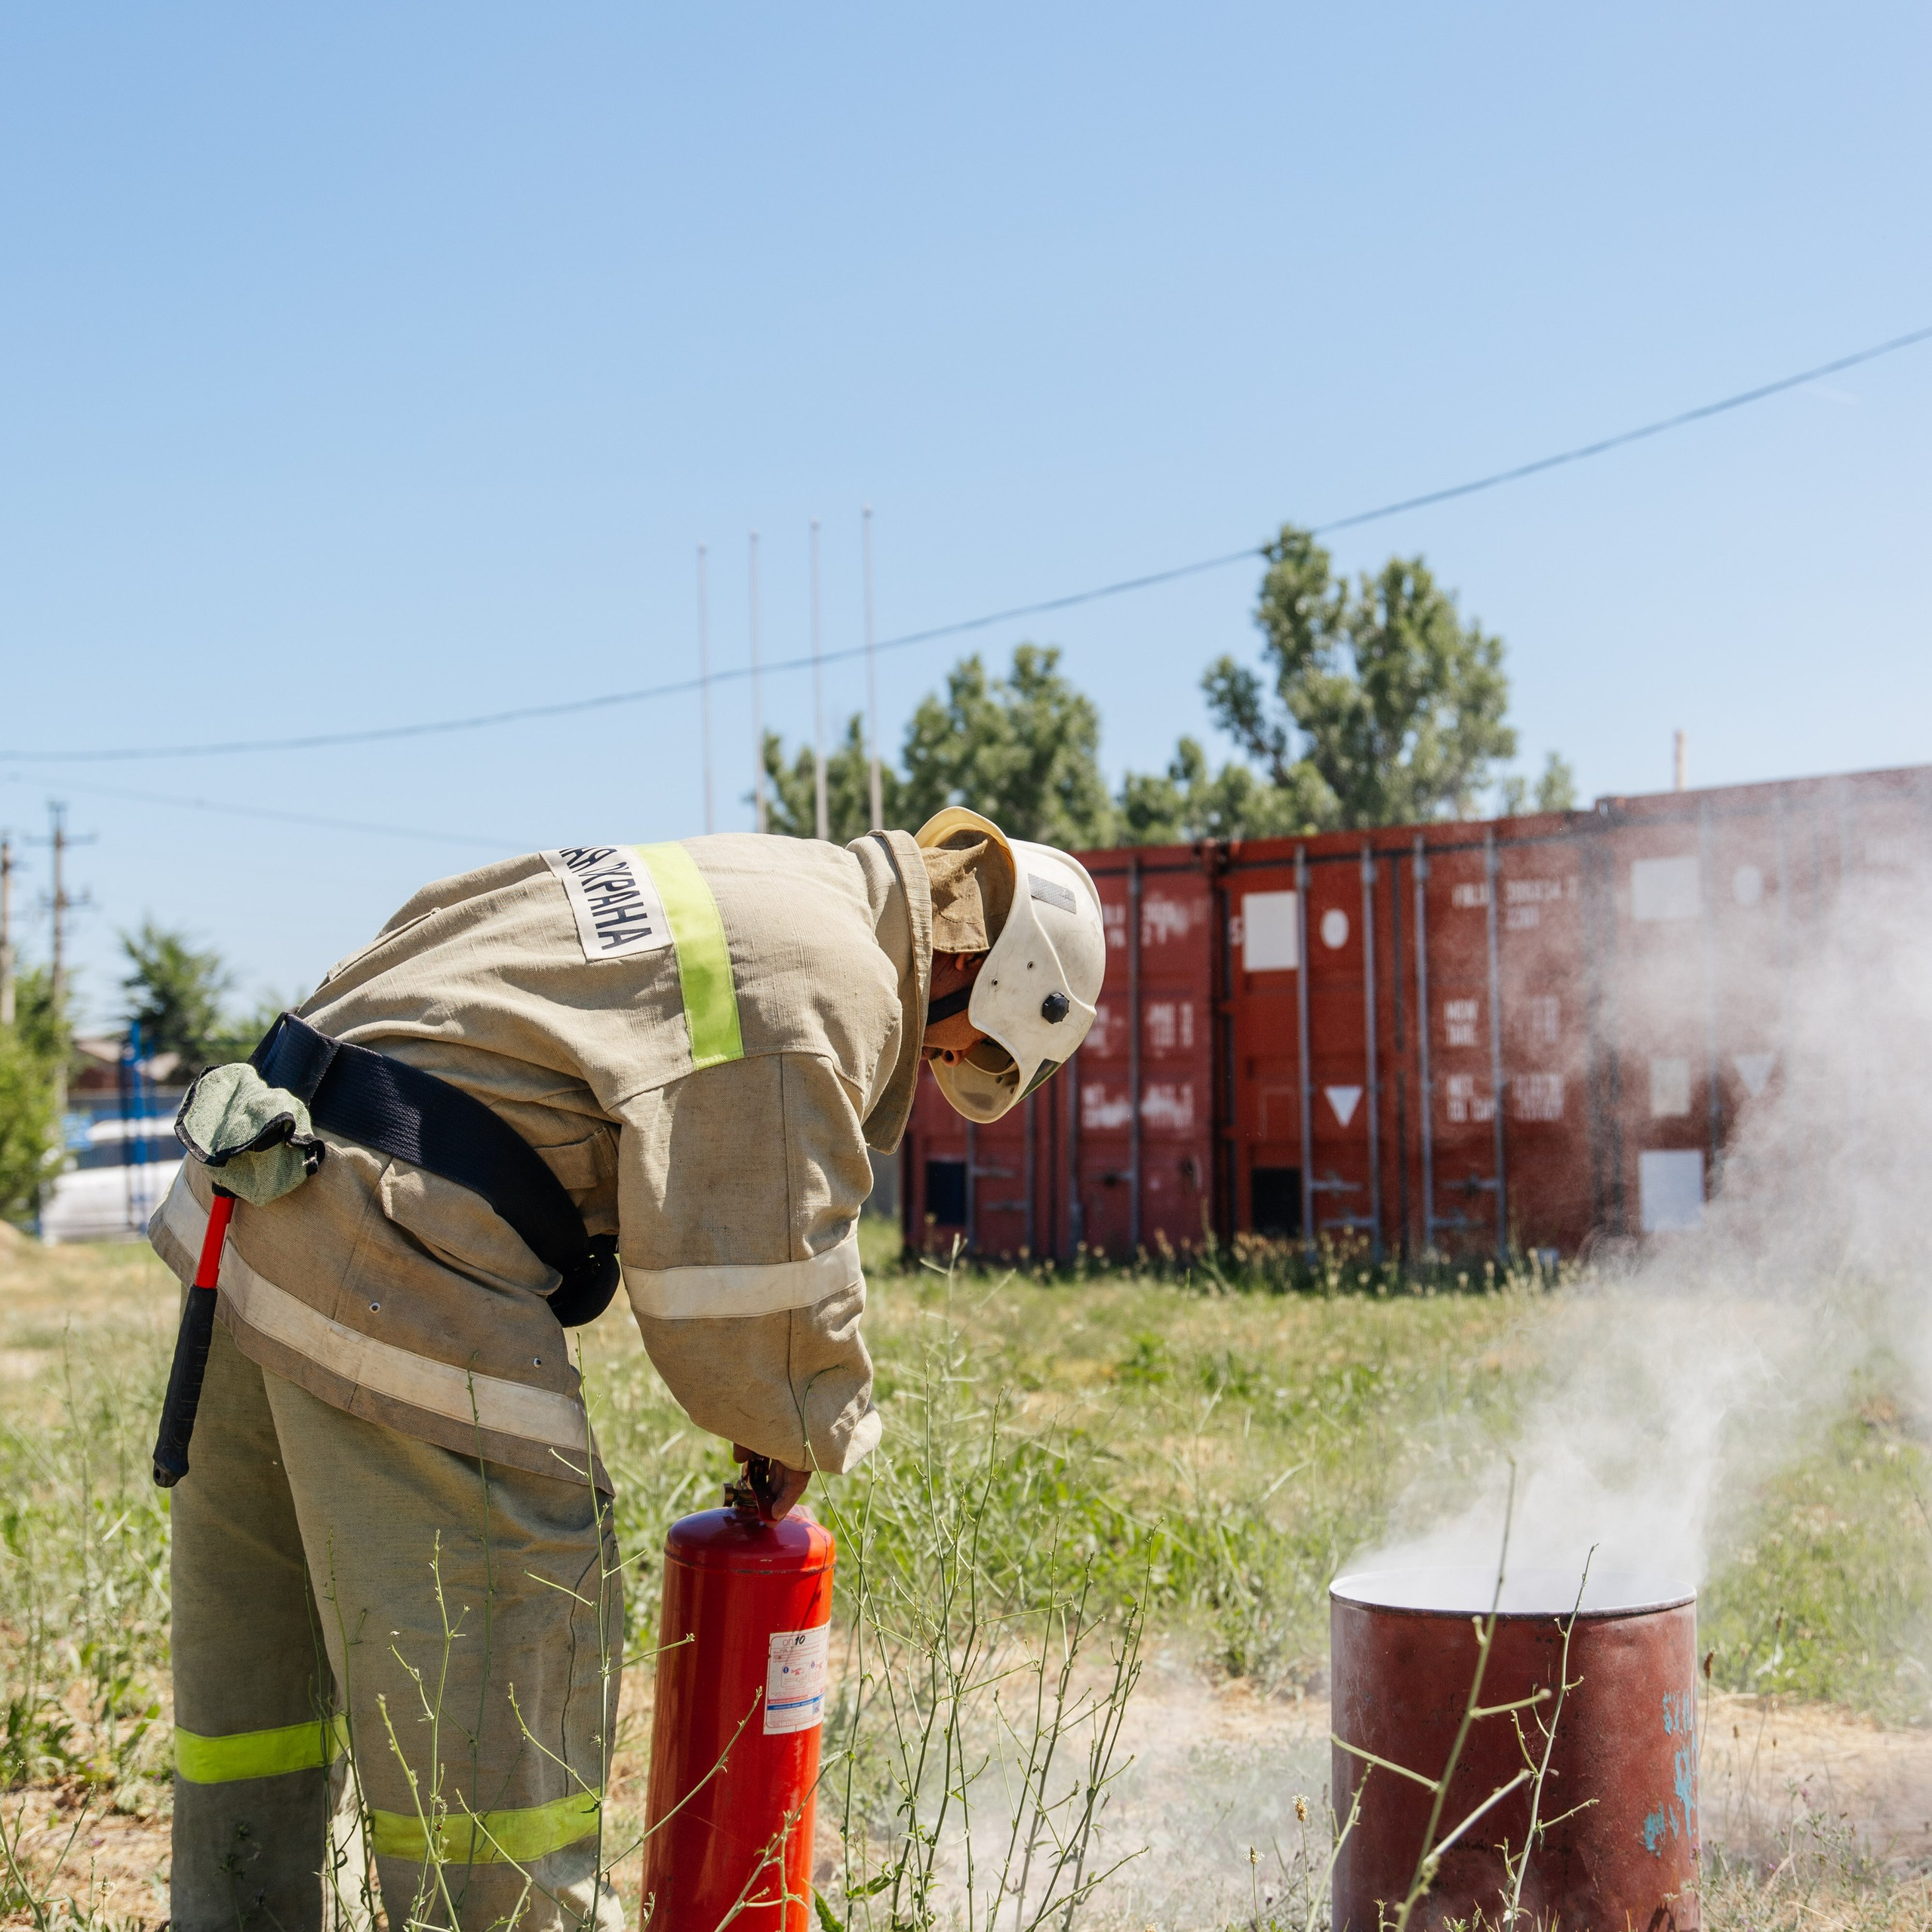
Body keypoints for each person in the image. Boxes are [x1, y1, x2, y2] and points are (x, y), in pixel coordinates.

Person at [149, 807, 1104, 1931]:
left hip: (249, 1196)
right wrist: (798, 1428)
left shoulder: (758, 881)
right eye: (962, 1048)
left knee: (260, 1690)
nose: (944, 1063)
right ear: (989, 978)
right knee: (504, 1617)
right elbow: (764, 1274)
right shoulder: (826, 975)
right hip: (388, 1241)